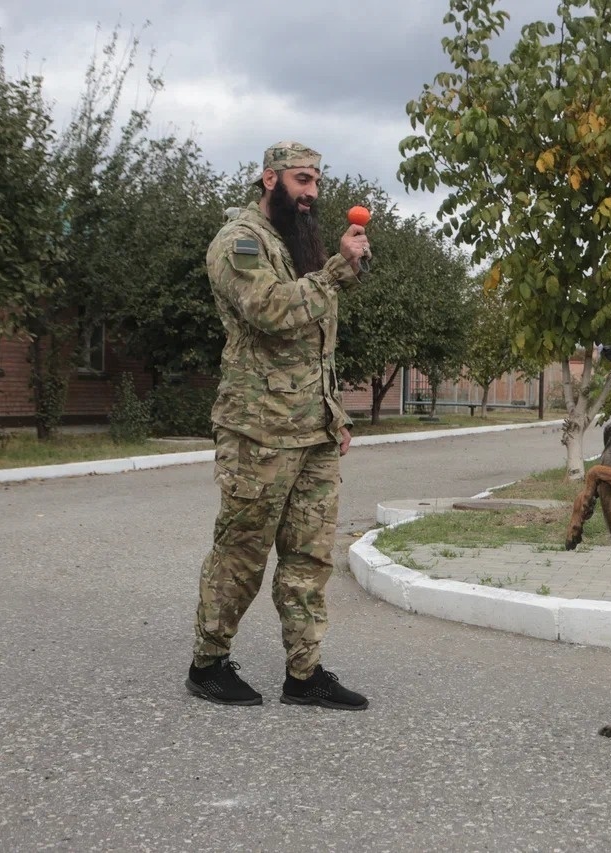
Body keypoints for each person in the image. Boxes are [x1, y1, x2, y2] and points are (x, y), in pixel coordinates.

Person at [185, 141, 371, 710]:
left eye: (316, 180)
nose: (311, 191)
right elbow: (271, 312)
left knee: (310, 557)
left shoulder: (298, 244)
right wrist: (337, 270)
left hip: (311, 431)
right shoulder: (239, 243)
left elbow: (316, 345)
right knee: (242, 549)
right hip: (258, 431)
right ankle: (208, 662)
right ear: (270, 179)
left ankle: (304, 673)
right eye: (301, 179)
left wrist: (332, 413)